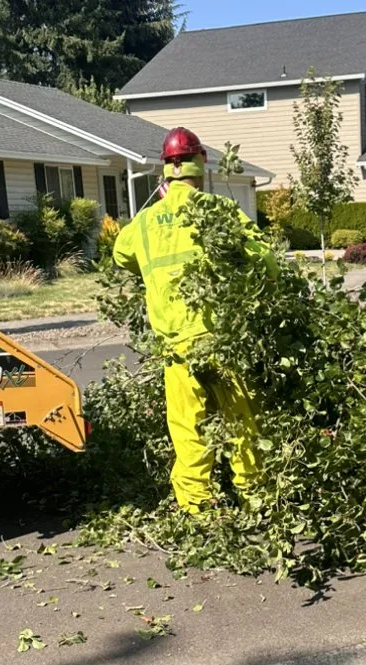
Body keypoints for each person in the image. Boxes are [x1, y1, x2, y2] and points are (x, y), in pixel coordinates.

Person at [113, 127, 276, 512]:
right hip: (223, 340)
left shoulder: (146, 223)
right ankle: (255, 499)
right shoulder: (220, 213)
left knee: (188, 429)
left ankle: (197, 506)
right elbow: (266, 260)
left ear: (165, 170)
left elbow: (121, 256)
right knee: (241, 422)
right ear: (201, 162)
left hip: (176, 348)